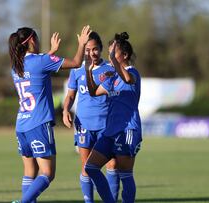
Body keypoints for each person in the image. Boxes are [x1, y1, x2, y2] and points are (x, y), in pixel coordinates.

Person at [8, 25, 91, 203]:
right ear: (31, 40)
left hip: (22, 125)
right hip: (39, 124)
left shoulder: (16, 66)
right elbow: (76, 63)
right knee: (47, 173)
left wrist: (51, 52)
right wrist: (82, 44)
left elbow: (38, 64)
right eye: (36, 39)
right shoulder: (42, 60)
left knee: (29, 171)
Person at [84, 32, 142, 203]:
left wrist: (114, 64)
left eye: (112, 52)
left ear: (124, 55)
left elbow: (127, 79)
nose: (109, 57)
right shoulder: (112, 76)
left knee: (125, 174)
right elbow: (94, 91)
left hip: (127, 130)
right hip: (110, 131)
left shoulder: (133, 73)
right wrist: (88, 69)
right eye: (109, 52)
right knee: (91, 167)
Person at [62, 31, 120, 203]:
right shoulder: (76, 70)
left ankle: (111, 200)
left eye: (95, 49)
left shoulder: (109, 70)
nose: (91, 53)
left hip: (105, 125)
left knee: (112, 165)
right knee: (86, 167)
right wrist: (65, 110)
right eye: (87, 50)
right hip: (84, 125)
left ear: (101, 49)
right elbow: (71, 95)